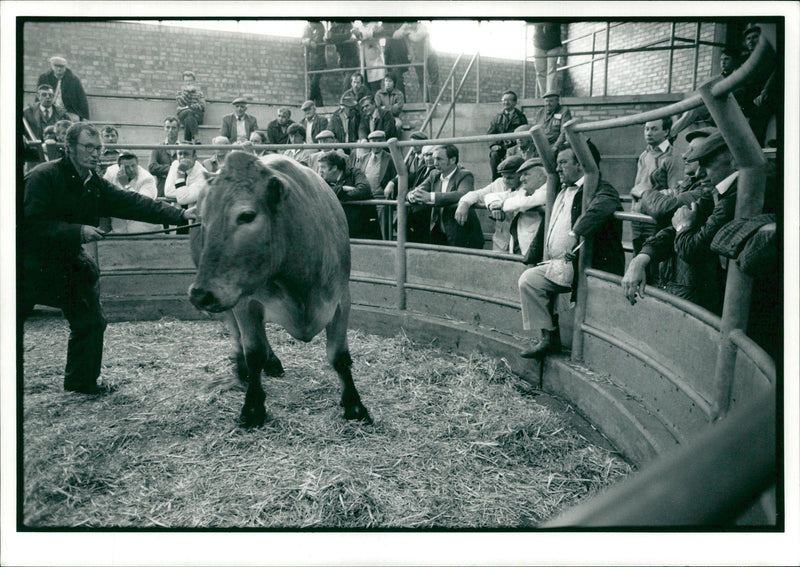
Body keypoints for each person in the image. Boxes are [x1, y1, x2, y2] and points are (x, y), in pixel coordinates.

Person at [21, 123, 191, 394]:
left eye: (98, 148)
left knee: (91, 320)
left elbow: (132, 203)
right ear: (69, 148)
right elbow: (27, 225)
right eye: (88, 147)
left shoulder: (93, 182)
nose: (95, 153)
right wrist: (78, 230)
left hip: (65, 259)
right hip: (26, 263)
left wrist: (181, 216)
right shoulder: (43, 176)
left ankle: (81, 383)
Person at [518, 145, 624, 359]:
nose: (558, 168)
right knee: (529, 281)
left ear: (581, 164)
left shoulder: (600, 188)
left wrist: (576, 232)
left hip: (587, 265)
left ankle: (562, 344)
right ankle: (548, 338)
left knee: (531, 281)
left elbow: (605, 205)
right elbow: (547, 225)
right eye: (557, 163)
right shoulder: (563, 189)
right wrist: (531, 256)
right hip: (561, 263)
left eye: (563, 162)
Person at [622, 128, 720, 313]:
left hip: (689, 284)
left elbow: (664, 209)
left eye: (695, 151)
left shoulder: (704, 192)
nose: (685, 155)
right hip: (673, 277)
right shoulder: (691, 186)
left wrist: (644, 191)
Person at [407, 144, 484, 249]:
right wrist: (412, 195)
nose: (435, 163)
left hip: (461, 233)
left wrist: (430, 196)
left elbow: (463, 193)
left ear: (452, 160)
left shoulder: (465, 175)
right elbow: (418, 189)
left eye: (439, 159)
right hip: (438, 232)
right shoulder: (434, 174)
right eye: (434, 159)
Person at [629, 117, 683, 257]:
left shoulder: (672, 157)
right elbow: (636, 186)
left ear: (666, 132)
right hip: (637, 219)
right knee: (637, 261)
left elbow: (675, 193)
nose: (649, 133)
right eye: (647, 129)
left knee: (653, 263)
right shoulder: (643, 155)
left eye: (654, 129)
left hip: (655, 221)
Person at [455, 155, 525, 252]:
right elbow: (478, 194)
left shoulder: (528, 185)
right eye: (503, 176)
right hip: (501, 242)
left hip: (522, 243)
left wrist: (498, 205)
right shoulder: (499, 183)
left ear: (522, 175)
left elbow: (515, 198)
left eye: (510, 178)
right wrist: (464, 203)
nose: (505, 181)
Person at [317, 151, 382, 240]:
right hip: (341, 229)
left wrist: (341, 194)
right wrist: (342, 189)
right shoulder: (323, 179)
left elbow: (364, 190)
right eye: (319, 167)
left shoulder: (355, 173)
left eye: (323, 167)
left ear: (334, 168)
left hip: (364, 227)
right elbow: (320, 193)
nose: (320, 171)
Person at [496, 158, 549, 260]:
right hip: (520, 246)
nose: (521, 179)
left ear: (541, 176)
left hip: (535, 250)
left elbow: (524, 203)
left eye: (526, 174)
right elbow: (490, 196)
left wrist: (504, 204)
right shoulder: (524, 191)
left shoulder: (547, 190)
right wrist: (496, 205)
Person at [102, 152, 163, 233]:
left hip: (146, 231)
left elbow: (141, 204)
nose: (131, 169)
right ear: (119, 167)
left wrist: (126, 185)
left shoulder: (147, 179)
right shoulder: (111, 172)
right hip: (119, 230)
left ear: (138, 164)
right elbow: (103, 194)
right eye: (126, 167)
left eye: (133, 166)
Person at [356, 130, 397, 239]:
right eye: (373, 141)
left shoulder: (390, 158)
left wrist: (391, 183)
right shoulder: (363, 158)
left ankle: (386, 247)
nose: (376, 144)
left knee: (384, 229)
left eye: (379, 141)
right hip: (365, 198)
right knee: (366, 228)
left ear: (384, 142)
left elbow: (398, 175)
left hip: (382, 199)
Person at [487, 90, 528, 181]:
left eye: (509, 100)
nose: (506, 102)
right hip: (501, 147)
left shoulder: (521, 117)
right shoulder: (497, 117)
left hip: (516, 146)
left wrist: (514, 141)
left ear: (515, 102)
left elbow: (524, 133)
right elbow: (490, 134)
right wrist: (494, 145)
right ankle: (496, 180)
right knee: (494, 155)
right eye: (504, 100)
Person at [395, 21, 439, 103]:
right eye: (409, 22)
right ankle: (426, 101)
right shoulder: (406, 26)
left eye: (412, 23)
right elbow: (396, 35)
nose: (410, 25)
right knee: (421, 80)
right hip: (418, 58)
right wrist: (405, 31)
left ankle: (435, 101)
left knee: (434, 78)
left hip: (430, 55)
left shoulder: (421, 26)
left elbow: (417, 37)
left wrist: (407, 33)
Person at [37, 56, 90, 121]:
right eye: (56, 66)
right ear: (52, 66)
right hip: (50, 109)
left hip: (69, 111)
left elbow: (82, 98)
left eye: (62, 67)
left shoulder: (73, 80)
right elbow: (39, 95)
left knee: (72, 121)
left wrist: (85, 117)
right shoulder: (44, 78)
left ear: (65, 67)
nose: (59, 69)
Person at [164, 142, 208, 209]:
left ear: (195, 157)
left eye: (186, 154)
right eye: (180, 154)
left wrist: (180, 172)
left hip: (195, 215)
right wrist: (187, 192)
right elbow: (167, 191)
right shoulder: (175, 164)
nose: (182, 157)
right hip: (177, 213)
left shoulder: (202, 173)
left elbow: (182, 199)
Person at [148, 116, 180, 199]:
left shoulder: (184, 147)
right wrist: (172, 169)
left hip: (179, 184)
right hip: (162, 186)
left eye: (173, 128)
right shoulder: (158, 147)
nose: (170, 131)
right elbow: (152, 167)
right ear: (164, 129)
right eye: (168, 127)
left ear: (178, 129)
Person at [325, 23, 361, 92]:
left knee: (347, 84)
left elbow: (346, 36)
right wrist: (326, 37)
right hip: (343, 60)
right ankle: (351, 101)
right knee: (348, 84)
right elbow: (328, 39)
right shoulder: (334, 27)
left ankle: (346, 101)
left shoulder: (348, 24)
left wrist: (332, 36)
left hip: (352, 59)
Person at [532, 23, 564, 97]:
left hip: (553, 44)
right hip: (539, 44)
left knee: (551, 70)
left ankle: (550, 94)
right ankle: (543, 95)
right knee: (540, 71)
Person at [301, 21, 326, 107]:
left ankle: (308, 104)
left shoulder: (320, 26)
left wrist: (309, 41)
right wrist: (309, 41)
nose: (310, 24)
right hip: (310, 61)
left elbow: (317, 41)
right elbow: (302, 40)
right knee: (315, 85)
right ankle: (320, 105)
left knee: (314, 84)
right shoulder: (307, 28)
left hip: (319, 61)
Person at [176, 71, 205, 142]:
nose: (188, 83)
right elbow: (181, 103)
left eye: (190, 81)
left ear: (194, 81)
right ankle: (196, 137)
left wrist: (189, 107)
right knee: (188, 113)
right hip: (182, 114)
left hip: (196, 115)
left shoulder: (199, 93)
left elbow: (202, 106)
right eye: (186, 81)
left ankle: (187, 141)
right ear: (183, 82)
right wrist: (187, 92)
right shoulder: (179, 93)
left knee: (189, 117)